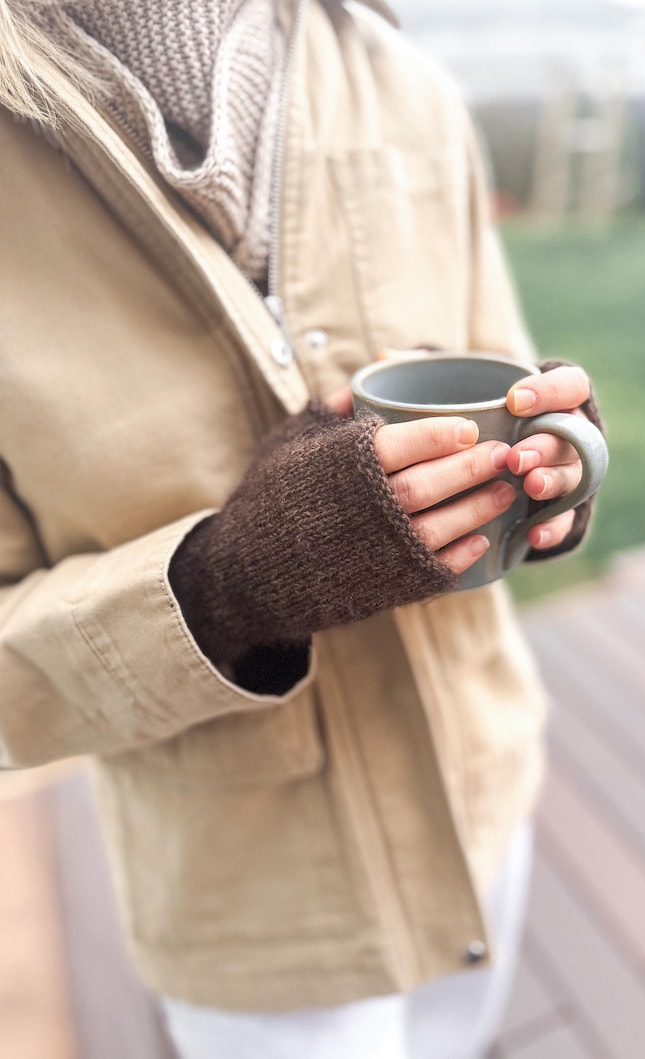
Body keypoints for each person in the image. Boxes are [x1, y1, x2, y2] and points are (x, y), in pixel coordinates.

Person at [0, 1, 604, 1056]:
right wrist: (229, 589)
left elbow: (508, 370)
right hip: (254, 906)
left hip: (485, 794)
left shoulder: (396, 75)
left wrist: (546, 472)